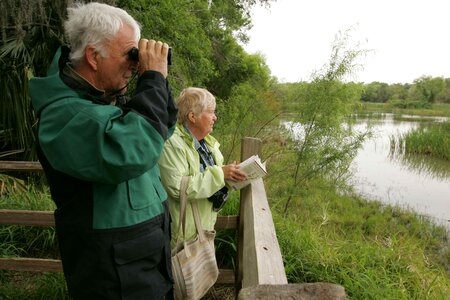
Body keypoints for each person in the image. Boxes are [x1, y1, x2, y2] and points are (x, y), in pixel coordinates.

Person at [29, 2, 177, 299]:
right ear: (94, 57)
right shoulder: (64, 115)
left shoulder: (104, 99)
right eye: (129, 54)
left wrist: (157, 81)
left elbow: (161, 129)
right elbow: (135, 147)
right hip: (113, 275)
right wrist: (153, 80)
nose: (135, 64)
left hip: (144, 261)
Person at [158, 87, 247, 249]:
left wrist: (231, 176)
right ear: (193, 116)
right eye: (211, 112)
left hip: (204, 229)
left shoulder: (209, 144)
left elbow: (212, 181)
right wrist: (221, 173)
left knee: (203, 273)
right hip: (183, 236)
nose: (215, 117)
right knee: (182, 274)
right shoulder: (172, 143)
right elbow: (178, 188)